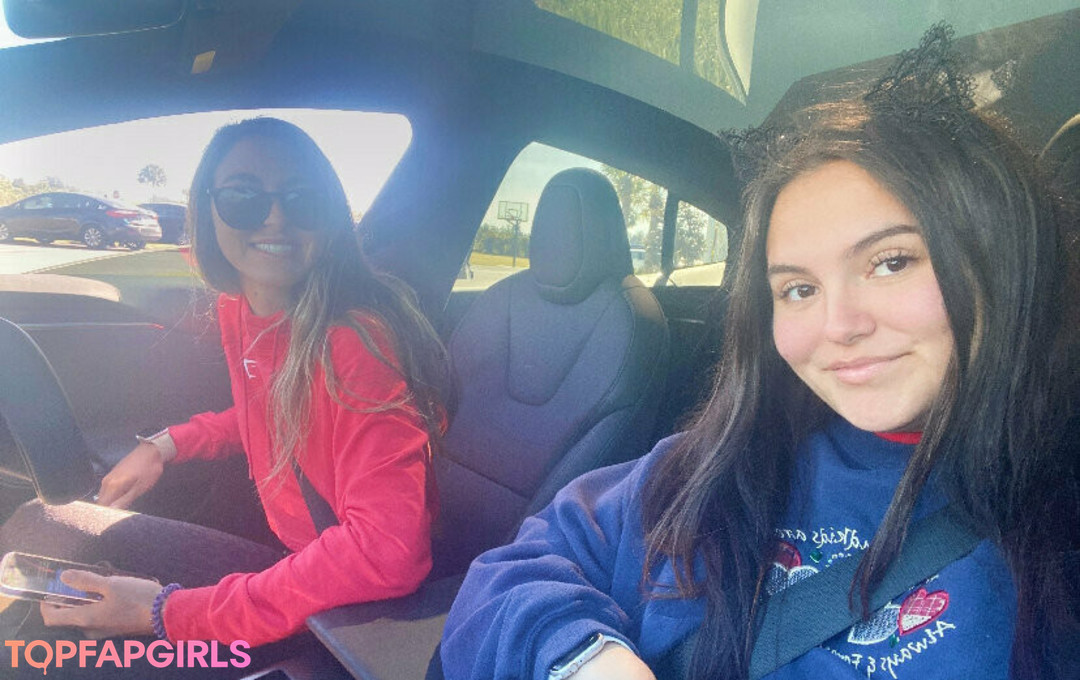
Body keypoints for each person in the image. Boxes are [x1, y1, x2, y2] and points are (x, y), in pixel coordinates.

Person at [439, 26, 1079, 680]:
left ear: (997, 260)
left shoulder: (1054, 529)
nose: (839, 325)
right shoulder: (716, 463)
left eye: (890, 262)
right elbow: (511, 573)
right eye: (798, 289)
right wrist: (584, 658)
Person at [0, 117, 449, 657]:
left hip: (347, 608)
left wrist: (163, 612)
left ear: (329, 216)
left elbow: (386, 552)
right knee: (43, 534)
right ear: (206, 208)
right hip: (294, 558)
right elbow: (271, 414)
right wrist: (165, 445)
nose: (276, 217)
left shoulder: (354, 342)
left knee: (49, 595)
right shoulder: (239, 308)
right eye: (243, 196)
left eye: (302, 197)